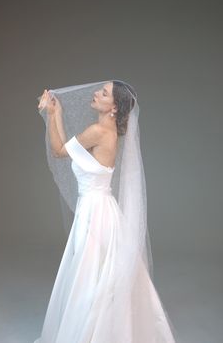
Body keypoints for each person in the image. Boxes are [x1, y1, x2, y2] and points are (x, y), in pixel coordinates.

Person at [34, 80, 178, 343]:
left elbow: (58, 151)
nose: (96, 93)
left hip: (94, 212)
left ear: (114, 107)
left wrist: (52, 112)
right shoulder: (109, 131)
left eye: (103, 93)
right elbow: (64, 149)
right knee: (99, 275)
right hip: (103, 210)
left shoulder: (98, 131)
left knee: (88, 277)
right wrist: (57, 114)